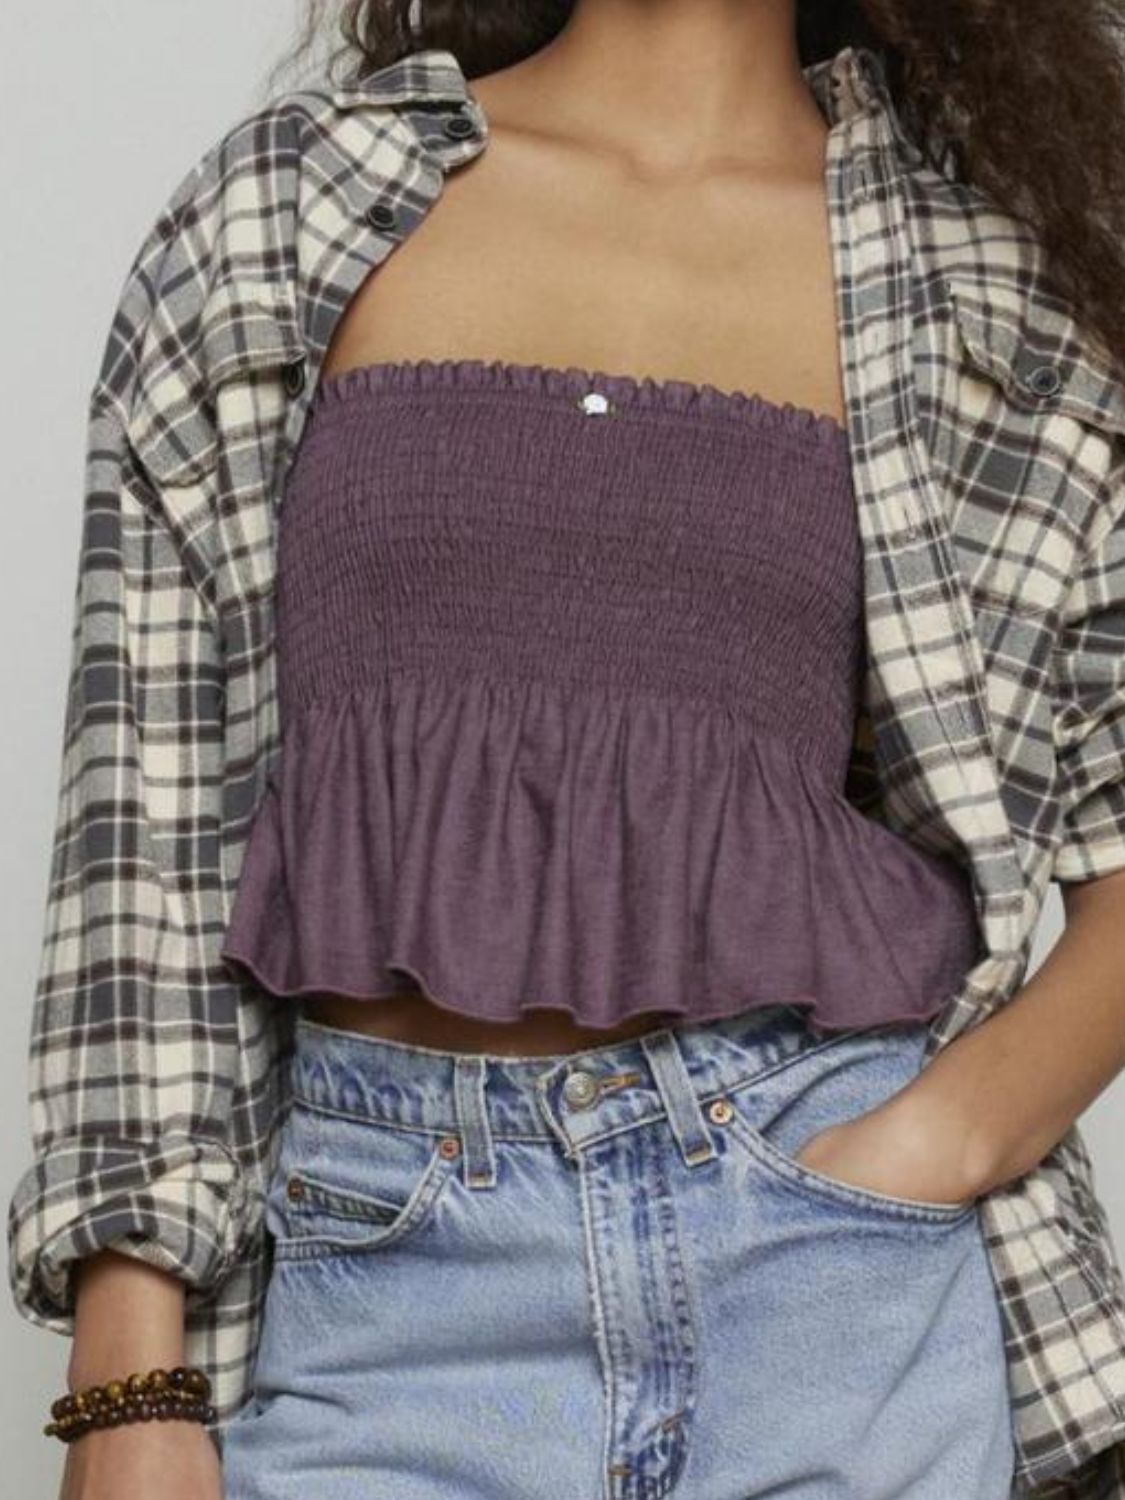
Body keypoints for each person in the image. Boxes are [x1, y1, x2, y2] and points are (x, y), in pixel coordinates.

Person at [9, 1, 1125, 1496]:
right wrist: (126, 1381)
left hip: (829, 1281)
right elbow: (142, 810)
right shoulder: (298, 201)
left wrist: (934, 1143)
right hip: (390, 1280)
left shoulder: (976, 283)